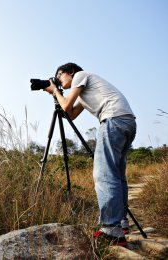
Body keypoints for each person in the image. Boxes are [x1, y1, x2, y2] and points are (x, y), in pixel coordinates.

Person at [44, 62, 136, 247]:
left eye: (59, 75)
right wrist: (57, 97)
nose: (59, 80)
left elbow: (67, 103)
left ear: (69, 72)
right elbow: (70, 114)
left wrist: (56, 92)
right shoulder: (87, 91)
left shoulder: (80, 75)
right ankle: (122, 223)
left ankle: (111, 230)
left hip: (112, 121)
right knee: (117, 176)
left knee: (104, 175)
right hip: (126, 122)